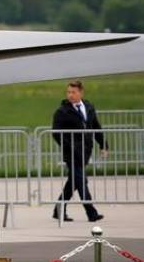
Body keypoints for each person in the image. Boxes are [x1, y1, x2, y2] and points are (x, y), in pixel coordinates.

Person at [51, 80, 107, 222]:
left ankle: (58, 210)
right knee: (82, 181)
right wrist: (68, 146)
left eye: (73, 92)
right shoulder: (62, 111)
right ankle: (91, 213)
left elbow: (96, 126)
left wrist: (103, 145)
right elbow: (56, 133)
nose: (70, 95)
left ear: (81, 92)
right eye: (68, 92)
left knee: (74, 182)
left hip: (85, 151)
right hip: (71, 154)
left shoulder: (88, 107)